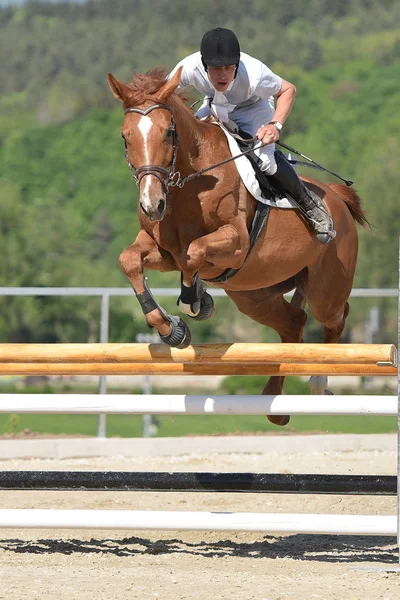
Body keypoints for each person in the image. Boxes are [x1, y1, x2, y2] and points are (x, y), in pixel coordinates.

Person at [168, 27, 335, 244]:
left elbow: (288, 90)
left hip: (254, 107)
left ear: (236, 64)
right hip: (216, 104)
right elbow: (163, 94)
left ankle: (311, 205)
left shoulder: (254, 74)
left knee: (266, 162)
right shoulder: (188, 67)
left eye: (228, 68)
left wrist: (275, 125)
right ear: (203, 64)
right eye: (216, 69)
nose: (222, 75)